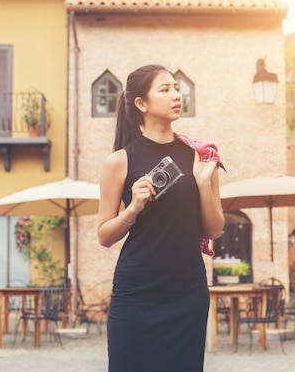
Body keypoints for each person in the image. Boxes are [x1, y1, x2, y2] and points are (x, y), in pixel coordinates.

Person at [96, 64, 225, 372]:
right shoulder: (119, 162)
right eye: (164, 89)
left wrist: (203, 184)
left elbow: (215, 229)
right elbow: (104, 235)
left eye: (177, 88)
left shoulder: (201, 156)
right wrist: (132, 209)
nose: (176, 95)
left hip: (186, 291)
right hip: (136, 291)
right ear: (141, 104)